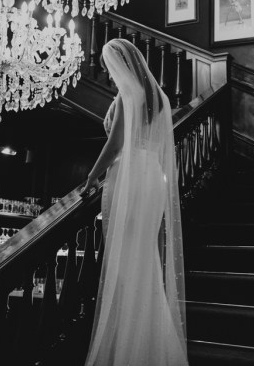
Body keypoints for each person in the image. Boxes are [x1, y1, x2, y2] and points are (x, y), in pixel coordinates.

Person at [80, 38, 189, 366]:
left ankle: (128, 347)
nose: (109, 75)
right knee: (143, 259)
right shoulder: (159, 97)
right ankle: (148, 344)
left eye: (109, 68)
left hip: (129, 177)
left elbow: (115, 145)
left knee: (124, 260)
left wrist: (91, 176)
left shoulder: (132, 96)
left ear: (122, 65)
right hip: (152, 176)